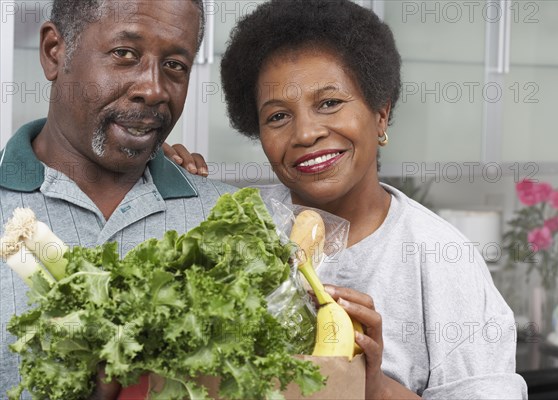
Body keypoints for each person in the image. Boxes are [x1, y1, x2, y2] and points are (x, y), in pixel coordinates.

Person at [165, 0, 528, 398]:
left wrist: (373, 386)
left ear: (381, 114)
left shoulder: (439, 258)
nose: (305, 133)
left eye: (329, 103)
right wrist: (154, 171)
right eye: (278, 116)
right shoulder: (241, 225)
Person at [0, 0, 233, 398]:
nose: (153, 89)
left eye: (175, 64)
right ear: (55, 51)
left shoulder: (227, 222)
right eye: (124, 54)